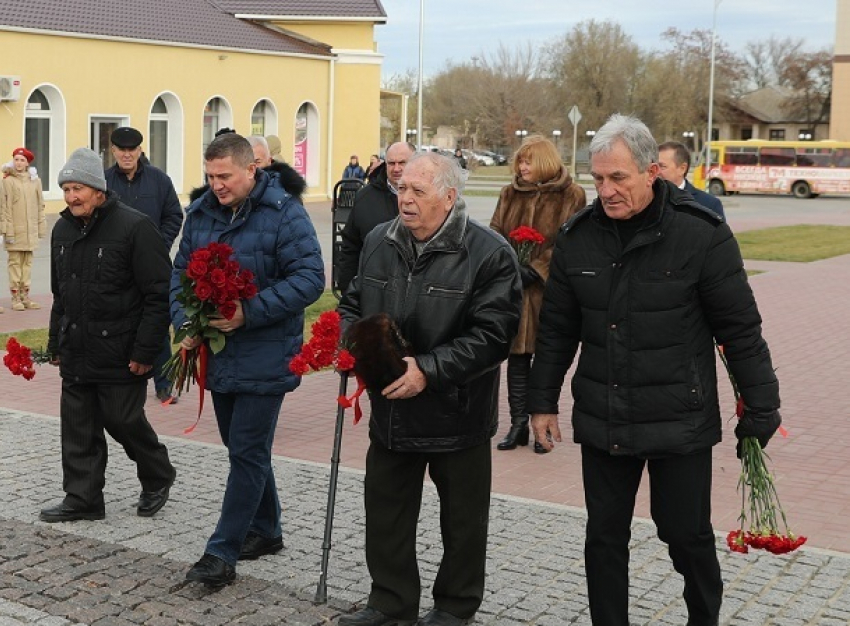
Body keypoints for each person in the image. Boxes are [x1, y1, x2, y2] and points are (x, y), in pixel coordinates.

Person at [527, 114, 781, 626]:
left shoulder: (701, 234)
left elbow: (740, 330)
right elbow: (556, 330)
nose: (607, 190)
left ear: (651, 172)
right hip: (605, 415)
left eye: (618, 178)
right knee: (603, 536)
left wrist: (762, 406)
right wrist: (541, 401)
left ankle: (703, 619)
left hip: (678, 419)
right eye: (598, 179)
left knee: (686, 535)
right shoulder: (577, 238)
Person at [337, 152, 522, 626]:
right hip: (391, 410)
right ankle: (390, 601)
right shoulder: (380, 240)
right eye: (402, 189)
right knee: (386, 514)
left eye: (419, 191)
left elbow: (493, 336)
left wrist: (429, 369)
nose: (406, 199)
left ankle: (455, 607)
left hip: (455, 412)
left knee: (462, 522)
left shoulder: (488, 252)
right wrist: (351, 344)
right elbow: (353, 302)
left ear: (449, 196)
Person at [175, 133, 324, 588]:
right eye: (209, 176)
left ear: (251, 170)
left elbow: (311, 278)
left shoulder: (284, 213)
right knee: (243, 449)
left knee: (246, 452)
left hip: (265, 352)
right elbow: (179, 272)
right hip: (219, 355)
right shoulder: (201, 214)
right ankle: (268, 529)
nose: (215, 184)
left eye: (224, 176)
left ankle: (221, 553)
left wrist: (250, 311)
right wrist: (186, 321)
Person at [41, 147, 176, 523]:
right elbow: (60, 293)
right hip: (77, 349)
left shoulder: (134, 227)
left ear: (98, 190)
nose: (71, 197)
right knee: (78, 428)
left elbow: (157, 294)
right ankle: (82, 499)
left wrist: (146, 350)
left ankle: (158, 475)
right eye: (66, 189)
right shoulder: (62, 229)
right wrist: (56, 342)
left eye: (77, 188)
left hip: (121, 349)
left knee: (123, 421)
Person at [489, 135, 585, 454]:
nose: (522, 167)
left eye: (529, 161)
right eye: (520, 161)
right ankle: (517, 424)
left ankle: (540, 427)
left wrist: (537, 268)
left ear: (544, 161)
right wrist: (509, 267)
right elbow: (495, 234)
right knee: (516, 359)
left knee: (545, 360)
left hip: (549, 293)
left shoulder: (571, 195)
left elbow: (570, 243)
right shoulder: (509, 194)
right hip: (514, 292)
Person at [104, 126, 184, 404]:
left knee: (158, 324)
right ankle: (121, 379)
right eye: (121, 149)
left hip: (153, 266)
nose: (127, 154)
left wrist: (158, 247)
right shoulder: (103, 182)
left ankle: (164, 385)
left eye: (132, 149)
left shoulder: (159, 180)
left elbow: (174, 215)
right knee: (119, 322)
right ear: (112, 150)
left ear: (140, 150)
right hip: (116, 268)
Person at [336, 141, 416, 295]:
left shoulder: (431, 197)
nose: (396, 168)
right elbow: (350, 246)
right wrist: (347, 290)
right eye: (391, 163)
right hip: (374, 291)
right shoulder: (365, 197)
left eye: (402, 163)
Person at [2, 147, 46, 311]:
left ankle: (25, 296)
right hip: (15, 229)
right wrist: (8, 230)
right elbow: (5, 207)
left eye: (22, 160)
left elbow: (40, 205)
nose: (19, 163)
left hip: (30, 230)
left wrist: (40, 227)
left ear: (28, 163)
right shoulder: (8, 181)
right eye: (16, 159)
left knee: (27, 263)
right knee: (15, 263)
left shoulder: (35, 181)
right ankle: (15, 298)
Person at [657, 141, 725, 219]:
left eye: (662, 166)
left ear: (682, 169)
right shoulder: (645, 200)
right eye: (653, 166)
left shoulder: (709, 204)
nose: (655, 171)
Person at [246, 135, 307, 200]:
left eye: (257, 162)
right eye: (246, 163)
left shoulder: (281, 187)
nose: (252, 168)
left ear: (269, 160)